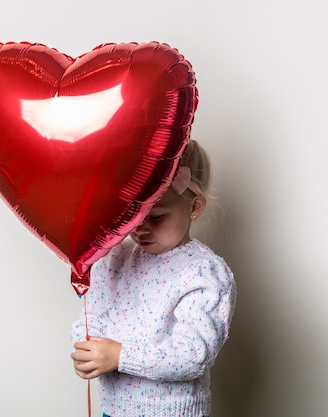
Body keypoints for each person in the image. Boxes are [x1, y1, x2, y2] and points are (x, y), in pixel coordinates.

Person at [70, 139, 236, 417]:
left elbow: (193, 354)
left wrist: (120, 356)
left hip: (171, 412)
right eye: (135, 216)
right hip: (114, 409)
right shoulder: (116, 258)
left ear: (194, 206)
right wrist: (85, 350)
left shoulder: (202, 272)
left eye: (156, 216)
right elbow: (93, 316)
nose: (141, 228)